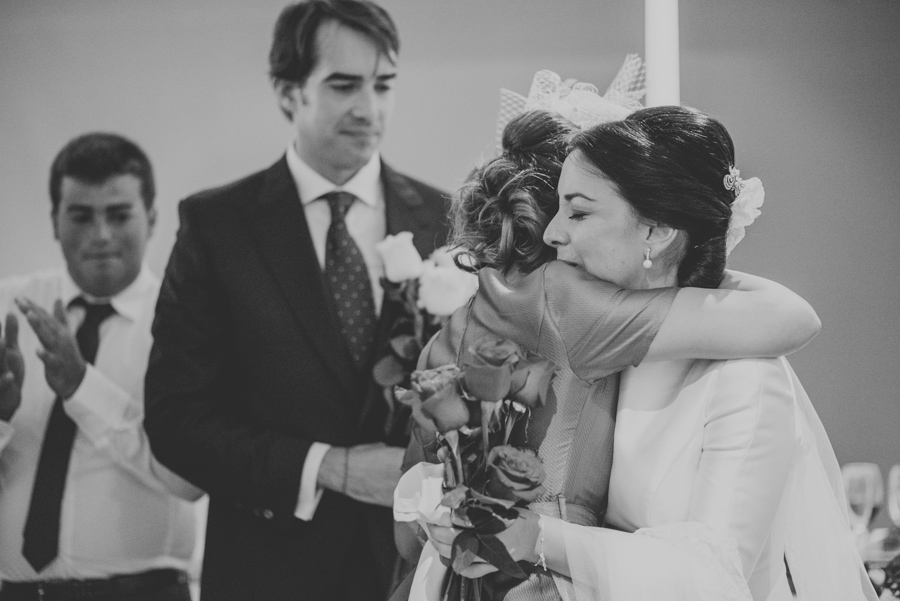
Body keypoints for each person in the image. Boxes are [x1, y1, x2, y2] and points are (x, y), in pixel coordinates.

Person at [418, 107, 876, 600]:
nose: (552, 232)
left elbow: (715, 580)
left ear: (656, 231)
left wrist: (541, 540)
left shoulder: (747, 379)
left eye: (578, 210)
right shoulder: (605, 354)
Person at [143, 1, 449, 600]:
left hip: (415, 570)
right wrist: (327, 467)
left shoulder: (445, 220)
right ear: (288, 93)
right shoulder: (217, 226)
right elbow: (175, 422)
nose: (369, 109)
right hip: (268, 570)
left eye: (383, 85)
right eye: (343, 86)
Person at [0, 133, 202, 601]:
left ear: (152, 218)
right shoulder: (8, 308)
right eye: (81, 216)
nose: (101, 235)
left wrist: (80, 386)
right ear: (54, 221)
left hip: (143, 592)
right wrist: (1, 418)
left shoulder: (187, 320)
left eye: (118, 214)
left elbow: (190, 477)